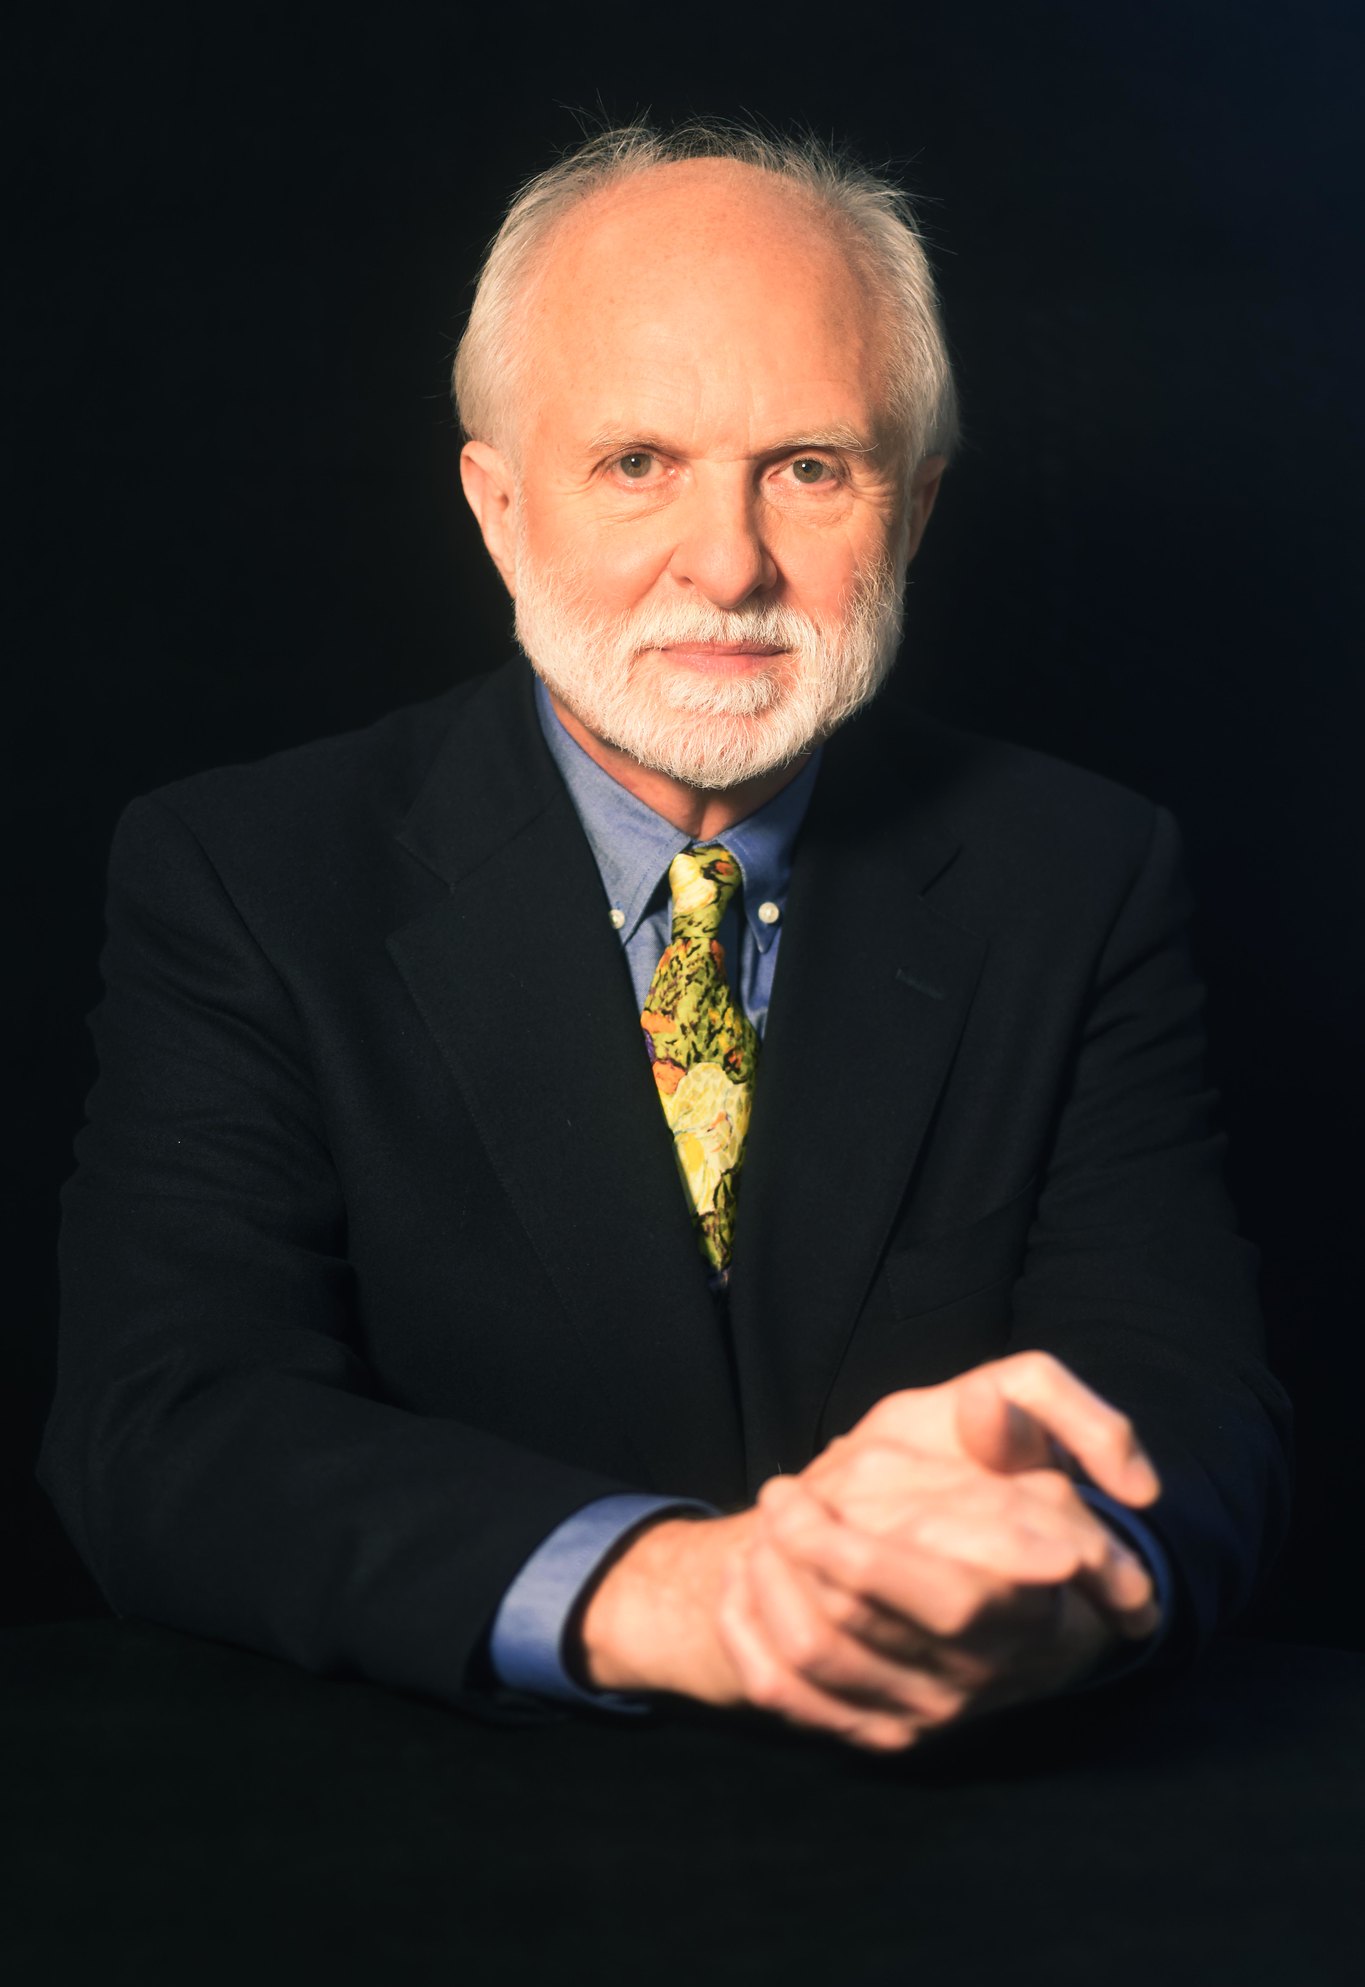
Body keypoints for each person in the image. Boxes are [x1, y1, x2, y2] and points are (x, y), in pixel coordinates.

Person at [39, 120, 1292, 1754]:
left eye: (808, 467)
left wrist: (1061, 1562)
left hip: (965, 1839)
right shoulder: (246, 873)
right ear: (499, 507)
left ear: (913, 509)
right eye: (638, 463)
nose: (728, 563)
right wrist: (677, 1592)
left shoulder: (1079, 872)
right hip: (413, 1838)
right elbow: (165, 1426)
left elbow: (1185, 1399)